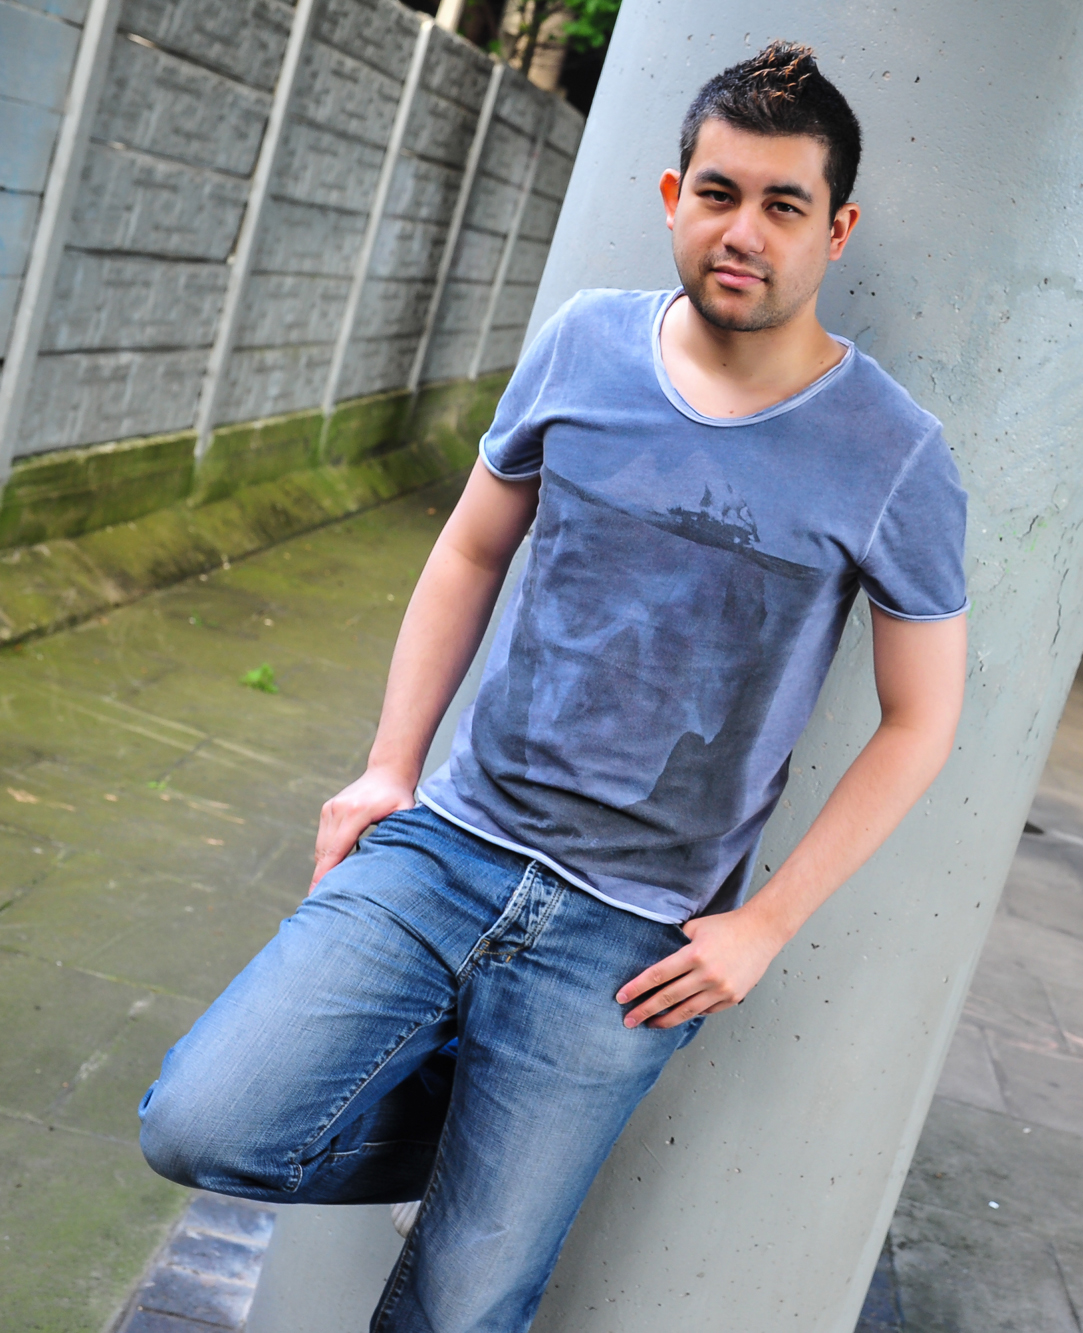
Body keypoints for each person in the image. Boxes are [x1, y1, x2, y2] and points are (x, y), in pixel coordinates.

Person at [137, 41, 967, 1333]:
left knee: (466, 1301)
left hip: (631, 937)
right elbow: (471, 548)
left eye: (783, 204)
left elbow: (923, 719)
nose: (742, 231)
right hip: (449, 847)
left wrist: (765, 925)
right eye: (717, 192)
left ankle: (501, 1169)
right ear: (674, 196)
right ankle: (488, 1144)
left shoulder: (895, 454)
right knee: (200, 1122)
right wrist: (388, 765)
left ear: (836, 228)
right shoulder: (584, 344)